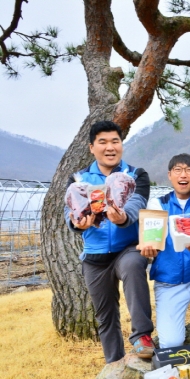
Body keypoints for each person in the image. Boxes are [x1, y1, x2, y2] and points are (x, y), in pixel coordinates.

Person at [64, 121, 154, 363]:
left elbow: (137, 204)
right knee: (106, 316)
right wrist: (77, 222)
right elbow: (70, 211)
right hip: (94, 257)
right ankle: (114, 364)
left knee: (134, 267)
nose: (110, 147)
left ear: (122, 145)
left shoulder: (135, 175)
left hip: (128, 248)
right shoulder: (78, 178)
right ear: (92, 147)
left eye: (115, 141)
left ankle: (142, 336)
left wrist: (123, 217)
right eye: (102, 142)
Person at [138, 154, 190, 348]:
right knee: (172, 343)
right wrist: (149, 249)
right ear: (170, 175)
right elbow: (151, 239)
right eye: (178, 170)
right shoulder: (157, 205)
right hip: (169, 285)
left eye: (189, 170)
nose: (184, 175)